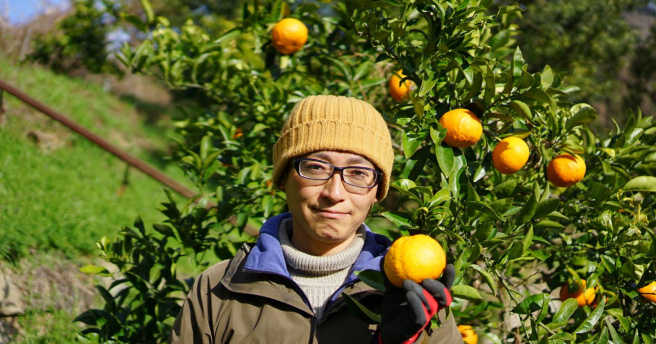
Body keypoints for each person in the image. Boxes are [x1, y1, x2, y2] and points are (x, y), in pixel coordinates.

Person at [169, 95, 463, 344]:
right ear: (283, 178)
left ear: (377, 192)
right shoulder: (220, 288)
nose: (334, 192)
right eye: (316, 167)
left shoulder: (414, 299)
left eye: (358, 173)